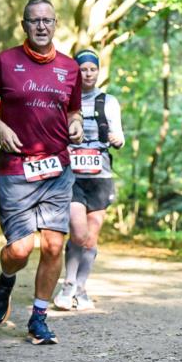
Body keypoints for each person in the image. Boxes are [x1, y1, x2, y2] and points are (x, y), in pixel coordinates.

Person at [0, 0, 84, 345]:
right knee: (20, 250)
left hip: (57, 168)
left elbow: (73, 110)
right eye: (34, 20)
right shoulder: (6, 61)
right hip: (16, 169)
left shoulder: (69, 68)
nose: (41, 26)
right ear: (24, 25)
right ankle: (5, 280)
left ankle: (39, 318)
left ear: (55, 25)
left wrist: (76, 123)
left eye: (47, 20)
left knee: (53, 245)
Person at [53, 49, 124, 311]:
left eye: (92, 69)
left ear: (98, 71)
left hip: (101, 176)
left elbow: (119, 134)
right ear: (76, 71)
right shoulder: (64, 99)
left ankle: (81, 287)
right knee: (78, 232)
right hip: (72, 177)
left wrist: (118, 140)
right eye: (83, 69)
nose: (88, 73)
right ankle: (68, 283)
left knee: (91, 239)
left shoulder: (109, 101)